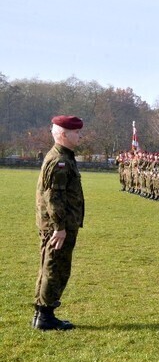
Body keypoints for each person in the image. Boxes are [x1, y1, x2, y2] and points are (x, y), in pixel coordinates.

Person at [32, 115, 85, 330]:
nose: (80, 135)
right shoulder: (59, 160)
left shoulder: (64, 156)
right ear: (63, 134)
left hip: (60, 224)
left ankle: (42, 314)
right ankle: (45, 317)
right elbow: (52, 196)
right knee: (55, 268)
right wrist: (60, 227)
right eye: (76, 132)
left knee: (52, 266)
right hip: (58, 227)